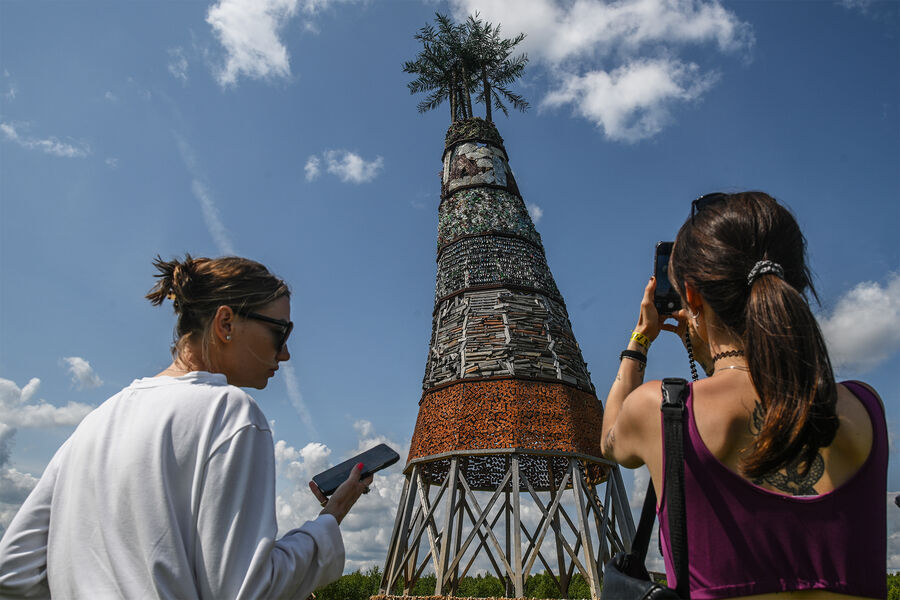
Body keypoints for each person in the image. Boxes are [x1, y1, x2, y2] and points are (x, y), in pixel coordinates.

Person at [0, 255, 372, 599]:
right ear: (226, 323)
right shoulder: (229, 412)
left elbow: (14, 571)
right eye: (281, 331)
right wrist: (328, 521)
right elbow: (247, 590)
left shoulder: (94, 423)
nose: (286, 353)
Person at [601, 192, 886, 599]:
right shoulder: (865, 409)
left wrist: (641, 338)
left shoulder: (663, 411)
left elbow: (610, 438)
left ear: (692, 295)